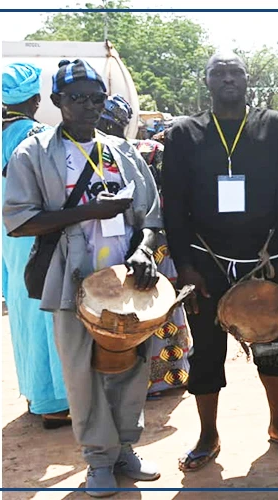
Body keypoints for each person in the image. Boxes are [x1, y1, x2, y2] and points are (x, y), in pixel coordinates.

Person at [4, 59, 164, 495]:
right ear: (57, 101)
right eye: (79, 98)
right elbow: (19, 221)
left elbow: (150, 216)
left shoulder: (122, 151)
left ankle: (125, 449)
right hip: (72, 279)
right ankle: (97, 459)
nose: (91, 106)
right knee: (81, 371)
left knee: (131, 364)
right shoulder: (33, 153)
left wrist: (145, 249)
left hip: (127, 280)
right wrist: (89, 211)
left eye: (98, 99)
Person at [165, 52, 278, 471]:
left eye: (236, 72)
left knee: (274, 346)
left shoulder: (276, 126)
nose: (228, 78)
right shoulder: (184, 133)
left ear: (247, 80)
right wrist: (184, 266)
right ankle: (207, 435)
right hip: (205, 260)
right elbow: (173, 204)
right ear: (207, 81)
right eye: (219, 73)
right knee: (206, 350)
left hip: (266, 256)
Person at [97, 94, 191, 398]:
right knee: (160, 307)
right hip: (156, 239)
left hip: (114, 242)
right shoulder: (150, 150)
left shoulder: (91, 153)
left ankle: (130, 382)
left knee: (124, 309)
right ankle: (169, 378)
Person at [0, 61, 71, 429]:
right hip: (41, 234)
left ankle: (34, 393)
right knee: (49, 314)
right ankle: (55, 402)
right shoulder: (42, 136)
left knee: (23, 314)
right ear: (37, 99)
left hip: (11, 240)